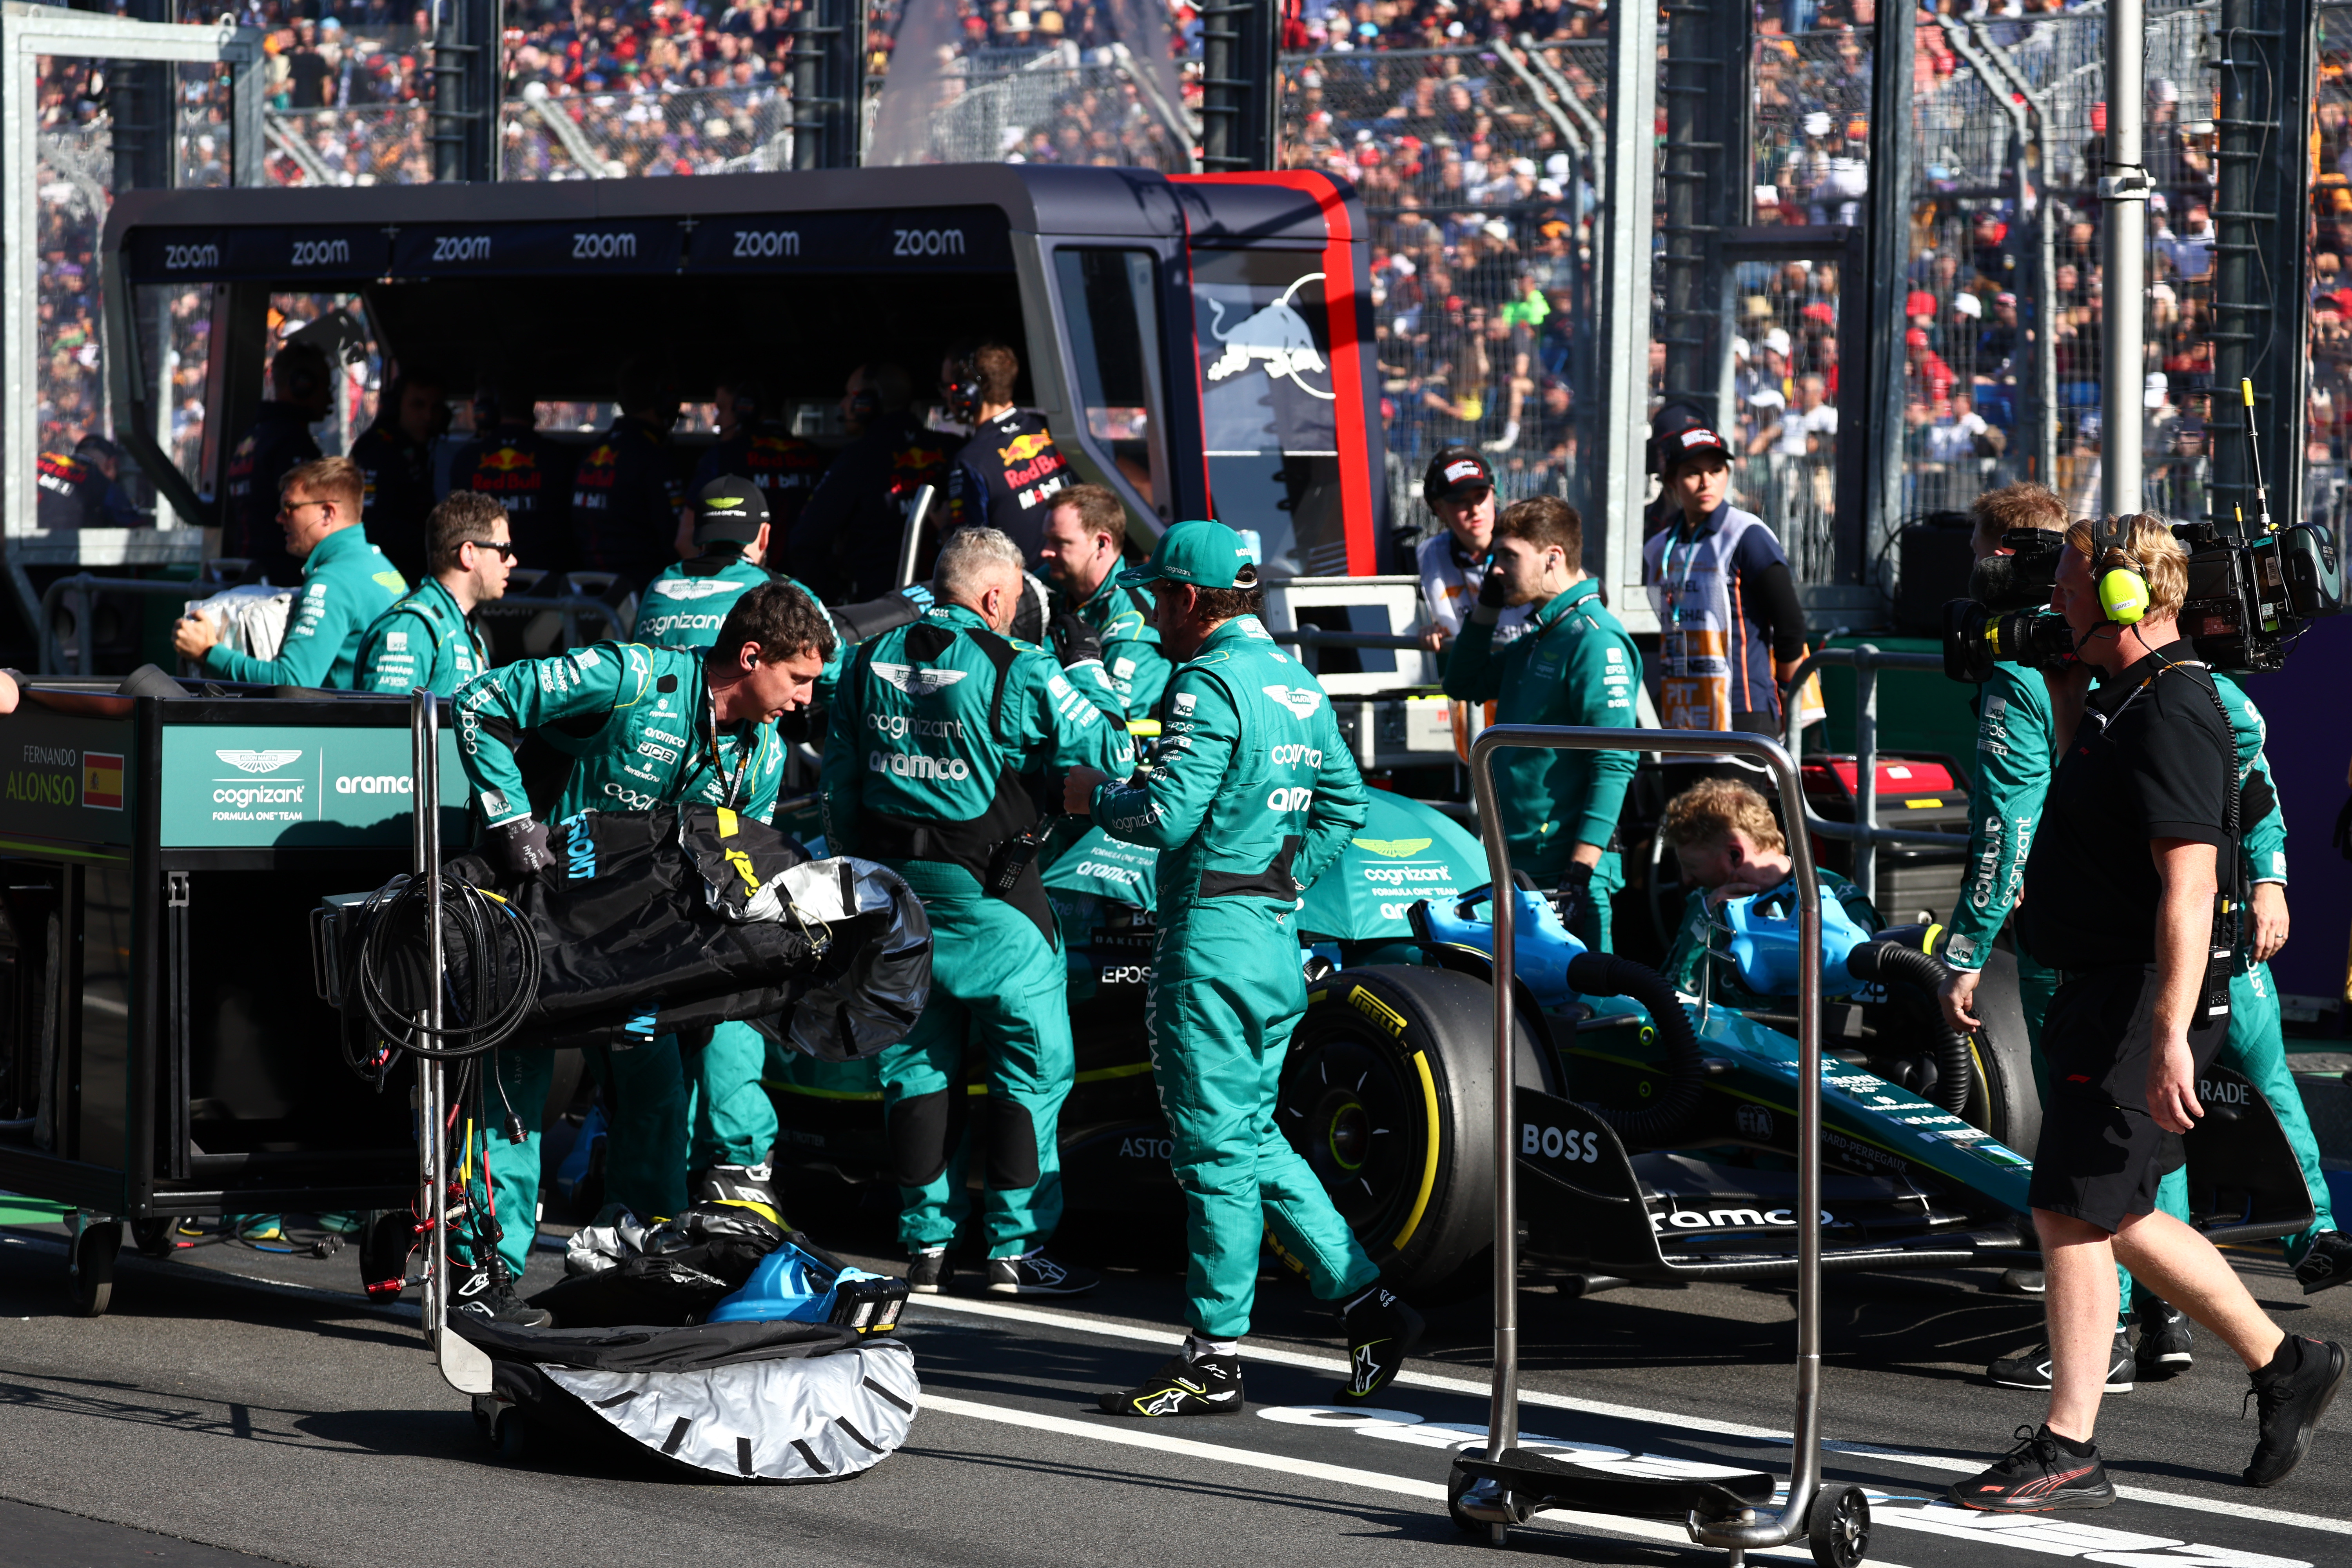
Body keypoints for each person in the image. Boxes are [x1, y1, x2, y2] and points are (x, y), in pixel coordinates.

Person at [1947, 512, 2343, 1511]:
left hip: (2136, 994)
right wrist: (2068, 685)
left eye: (2075, 587)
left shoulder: (2174, 708)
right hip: (2099, 984)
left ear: (2130, 599)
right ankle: (2285, 1361)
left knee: (2071, 1208)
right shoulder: (2125, 698)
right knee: (2110, 1208)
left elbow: (2186, 884)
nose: (2058, 603)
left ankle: (2071, 1443)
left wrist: (2168, 1031)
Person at [1063, 519, 1421, 1416]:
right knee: (1255, 1137)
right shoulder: (1298, 681)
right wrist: (1286, 881)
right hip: (1270, 941)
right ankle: (1368, 1300)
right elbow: (1345, 806)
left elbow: (1170, 816)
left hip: (1212, 945)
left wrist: (1095, 797)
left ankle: (1213, 1356)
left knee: (1215, 1154)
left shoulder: (1208, 682)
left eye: (1156, 597)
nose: (1150, 612)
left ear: (1188, 599)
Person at [448, 583, 829, 1323]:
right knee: (512, 1106)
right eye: (798, 678)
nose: (805, 700)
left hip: (640, 963)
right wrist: (511, 816)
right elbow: (479, 703)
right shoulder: (630, 677)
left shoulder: (765, 755)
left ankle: (640, 1272)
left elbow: (730, 870)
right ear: (752, 658)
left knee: (656, 1106)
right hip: (537, 931)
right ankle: (478, 1275)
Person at [821, 527, 1131, 1296]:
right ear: (996, 596)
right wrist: (1088, 665)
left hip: (900, 897)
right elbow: (1112, 748)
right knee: (1033, 1066)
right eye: (1019, 597)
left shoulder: (863, 661)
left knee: (916, 1065)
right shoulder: (1018, 665)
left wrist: (869, 880)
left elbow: (840, 785)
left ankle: (926, 1248)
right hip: (997, 901)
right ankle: (1014, 1252)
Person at [1441, 495, 1640, 951]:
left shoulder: (1595, 639)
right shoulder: (1544, 634)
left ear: (1554, 558)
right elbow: (1462, 681)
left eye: (1509, 557)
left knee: (1585, 1012)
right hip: (1519, 863)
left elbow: (1614, 761)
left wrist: (1581, 871)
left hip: (1567, 874)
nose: (1496, 569)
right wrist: (1487, 609)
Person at [172, 457, 408, 689]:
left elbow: (292, 684)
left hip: (357, 723)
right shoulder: (381, 566)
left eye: (290, 507)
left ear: (327, 513)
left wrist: (208, 652)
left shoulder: (332, 582)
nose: (280, 518)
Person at [1642, 425, 1812, 737]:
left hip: (1743, 711)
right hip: (1681, 710)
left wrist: (1790, 694)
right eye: (1693, 473)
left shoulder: (1747, 534)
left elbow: (1791, 625)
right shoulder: (1657, 549)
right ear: (1672, 481)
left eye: (1717, 470)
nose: (1707, 482)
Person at [1657, 777, 1879, 1010]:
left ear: (1735, 854)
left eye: (1692, 866)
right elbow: (1671, 1000)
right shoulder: (1708, 902)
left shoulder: (1841, 904)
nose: (1686, 880)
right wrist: (1705, 923)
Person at [790, 362, 957, 602]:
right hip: (947, 600)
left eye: (850, 396)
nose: (843, 404)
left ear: (867, 403)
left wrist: (833, 601)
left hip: (878, 607)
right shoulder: (952, 449)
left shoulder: (859, 458)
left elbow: (805, 542)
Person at [353, 492, 512, 696]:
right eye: (504, 550)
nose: (512, 561)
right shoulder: (413, 627)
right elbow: (384, 724)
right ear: (468, 554)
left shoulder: (459, 624)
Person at [1036, 483, 1169, 722]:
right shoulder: (1052, 579)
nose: (1046, 552)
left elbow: (1108, 725)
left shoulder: (1136, 626)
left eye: (1060, 542)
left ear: (1102, 544)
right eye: (1047, 540)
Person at [941, 342, 1071, 568]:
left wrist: (943, 527)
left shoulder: (970, 461)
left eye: (950, 387)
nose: (946, 396)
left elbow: (971, 553)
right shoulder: (1055, 429)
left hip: (1026, 593)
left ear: (967, 392)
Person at [572, 358, 686, 592]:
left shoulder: (592, 454)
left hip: (589, 591)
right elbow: (677, 539)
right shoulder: (655, 458)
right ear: (663, 400)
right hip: (646, 592)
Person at [221, 342, 330, 586]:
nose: (330, 396)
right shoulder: (291, 441)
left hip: (250, 573)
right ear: (303, 384)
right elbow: (306, 513)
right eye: (325, 385)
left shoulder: (252, 437)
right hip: (281, 579)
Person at [1413, 446, 1532, 654]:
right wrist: (1430, 630)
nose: (1475, 510)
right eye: (1461, 501)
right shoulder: (1426, 556)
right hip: (1474, 674)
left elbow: (1595, 593)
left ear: (1493, 493)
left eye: (1481, 496)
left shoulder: (1529, 538)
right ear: (1439, 509)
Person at [452, 379, 573, 578]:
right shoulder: (558, 458)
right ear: (532, 411)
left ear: (492, 412)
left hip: (482, 579)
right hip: (547, 579)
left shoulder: (466, 459)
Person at [688, 374, 828, 542]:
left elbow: (687, 538)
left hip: (741, 565)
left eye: (722, 409)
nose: (717, 421)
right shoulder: (816, 456)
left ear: (744, 408)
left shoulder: (723, 457)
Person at [346, 371, 445, 585]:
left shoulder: (417, 450)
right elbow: (372, 524)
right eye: (418, 405)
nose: (428, 416)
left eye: (435, 408)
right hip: (384, 575)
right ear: (396, 407)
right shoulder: (377, 449)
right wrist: (433, 543)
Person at [35, 435, 140, 530]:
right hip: (57, 548)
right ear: (111, 464)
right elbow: (140, 532)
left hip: (23, 543)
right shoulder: (103, 484)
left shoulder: (42, 459)